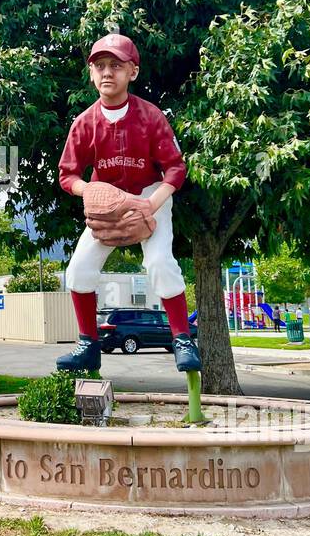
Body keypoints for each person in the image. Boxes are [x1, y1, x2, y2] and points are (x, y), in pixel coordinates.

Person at [55, 34, 201, 374]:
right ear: (91, 73)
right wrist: (88, 192)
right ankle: (88, 346)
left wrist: (153, 204)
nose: (108, 73)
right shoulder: (84, 123)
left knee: (160, 261)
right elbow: (68, 175)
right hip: (106, 198)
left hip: (150, 192)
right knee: (77, 271)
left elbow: (176, 169)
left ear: (132, 72)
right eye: (100, 66)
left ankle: (181, 338)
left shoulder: (150, 116)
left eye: (116, 66)